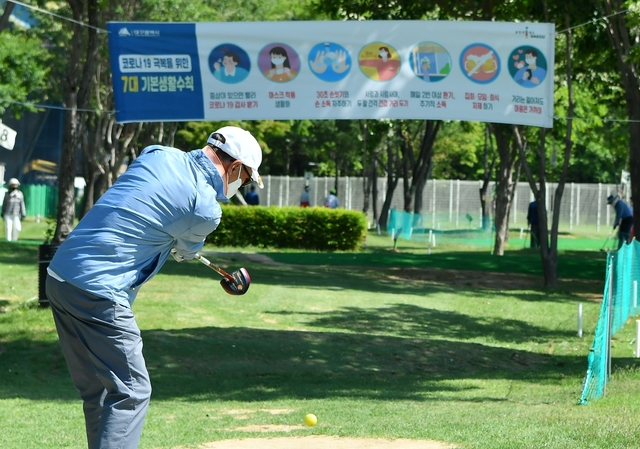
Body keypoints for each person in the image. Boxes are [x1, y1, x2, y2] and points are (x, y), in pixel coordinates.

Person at [45, 126, 263, 449]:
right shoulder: (205, 208)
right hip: (100, 291)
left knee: (99, 392)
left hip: (60, 276)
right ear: (234, 168)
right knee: (132, 391)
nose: (241, 186)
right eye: (244, 179)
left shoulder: (158, 153)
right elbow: (185, 252)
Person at [2, 177, 27, 242]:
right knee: (8, 228)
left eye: (15, 185)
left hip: (16, 214)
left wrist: (23, 213)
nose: (14, 186)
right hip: (8, 214)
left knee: (17, 228)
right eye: (13, 185)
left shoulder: (19, 194)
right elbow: (4, 204)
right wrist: (2, 212)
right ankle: (9, 240)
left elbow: (22, 204)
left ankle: (14, 239)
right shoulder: (7, 194)